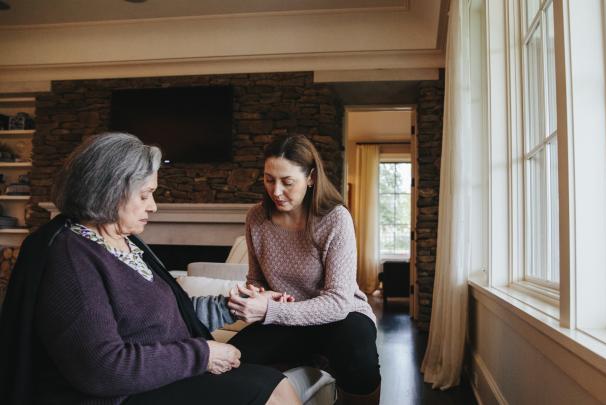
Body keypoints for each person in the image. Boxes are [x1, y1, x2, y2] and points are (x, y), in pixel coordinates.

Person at [0, 133, 300, 405]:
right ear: (108, 191)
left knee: (274, 383)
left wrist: (232, 306)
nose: (153, 206)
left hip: (152, 380)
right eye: (144, 195)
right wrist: (204, 354)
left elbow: (163, 315)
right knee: (266, 389)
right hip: (117, 396)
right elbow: (102, 369)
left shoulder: (125, 242)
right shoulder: (71, 256)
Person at [227, 135, 381, 404]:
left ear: (310, 178)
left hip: (340, 318)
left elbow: (338, 302)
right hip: (286, 318)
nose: (276, 191)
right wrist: (254, 297)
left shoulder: (334, 219)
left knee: (359, 354)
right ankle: (308, 358)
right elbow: (256, 279)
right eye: (269, 179)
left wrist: (270, 309)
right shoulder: (257, 217)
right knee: (231, 360)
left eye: (287, 182)